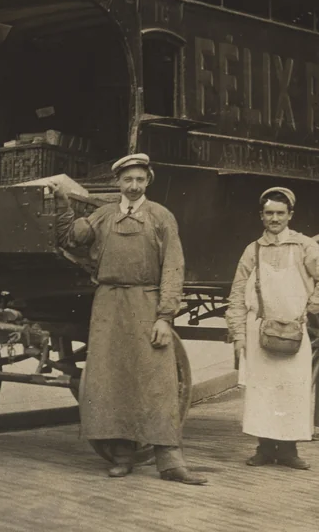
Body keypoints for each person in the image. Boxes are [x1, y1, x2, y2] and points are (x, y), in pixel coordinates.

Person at [56, 153, 207, 485]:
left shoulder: (161, 217)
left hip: (147, 303)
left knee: (158, 379)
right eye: (128, 180)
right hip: (108, 305)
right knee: (113, 379)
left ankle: (170, 460)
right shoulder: (104, 215)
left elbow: (173, 268)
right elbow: (74, 238)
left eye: (140, 179)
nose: (134, 186)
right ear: (117, 183)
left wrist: (165, 316)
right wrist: (63, 204)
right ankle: (122, 455)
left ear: (147, 181)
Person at [226, 186, 319, 470]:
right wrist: (239, 335)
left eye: (280, 213)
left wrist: (307, 308)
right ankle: (264, 449)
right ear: (261, 216)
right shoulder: (252, 251)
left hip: (293, 332)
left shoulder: (304, 247)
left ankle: (289, 451)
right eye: (269, 213)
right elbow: (237, 294)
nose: (274, 219)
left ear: (290, 215)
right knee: (261, 391)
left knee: (292, 389)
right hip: (259, 332)